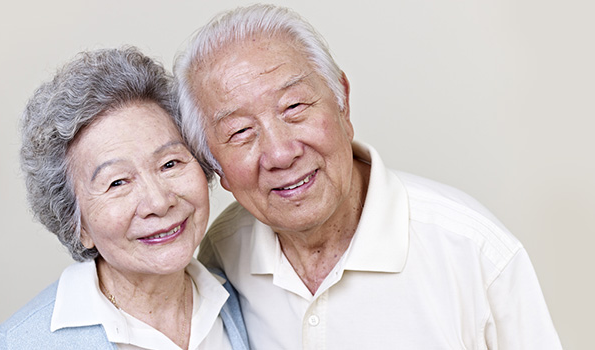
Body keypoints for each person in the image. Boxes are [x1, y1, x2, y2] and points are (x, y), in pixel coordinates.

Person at [174, 4, 561, 349]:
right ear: (214, 165)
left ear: (342, 101)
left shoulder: (475, 252)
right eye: (240, 132)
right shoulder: (221, 252)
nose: (280, 153)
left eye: (294, 107)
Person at [0, 47, 248, 350]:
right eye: (117, 182)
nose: (159, 202)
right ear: (77, 225)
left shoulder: (243, 297)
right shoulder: (21, 344)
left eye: (170, 164)